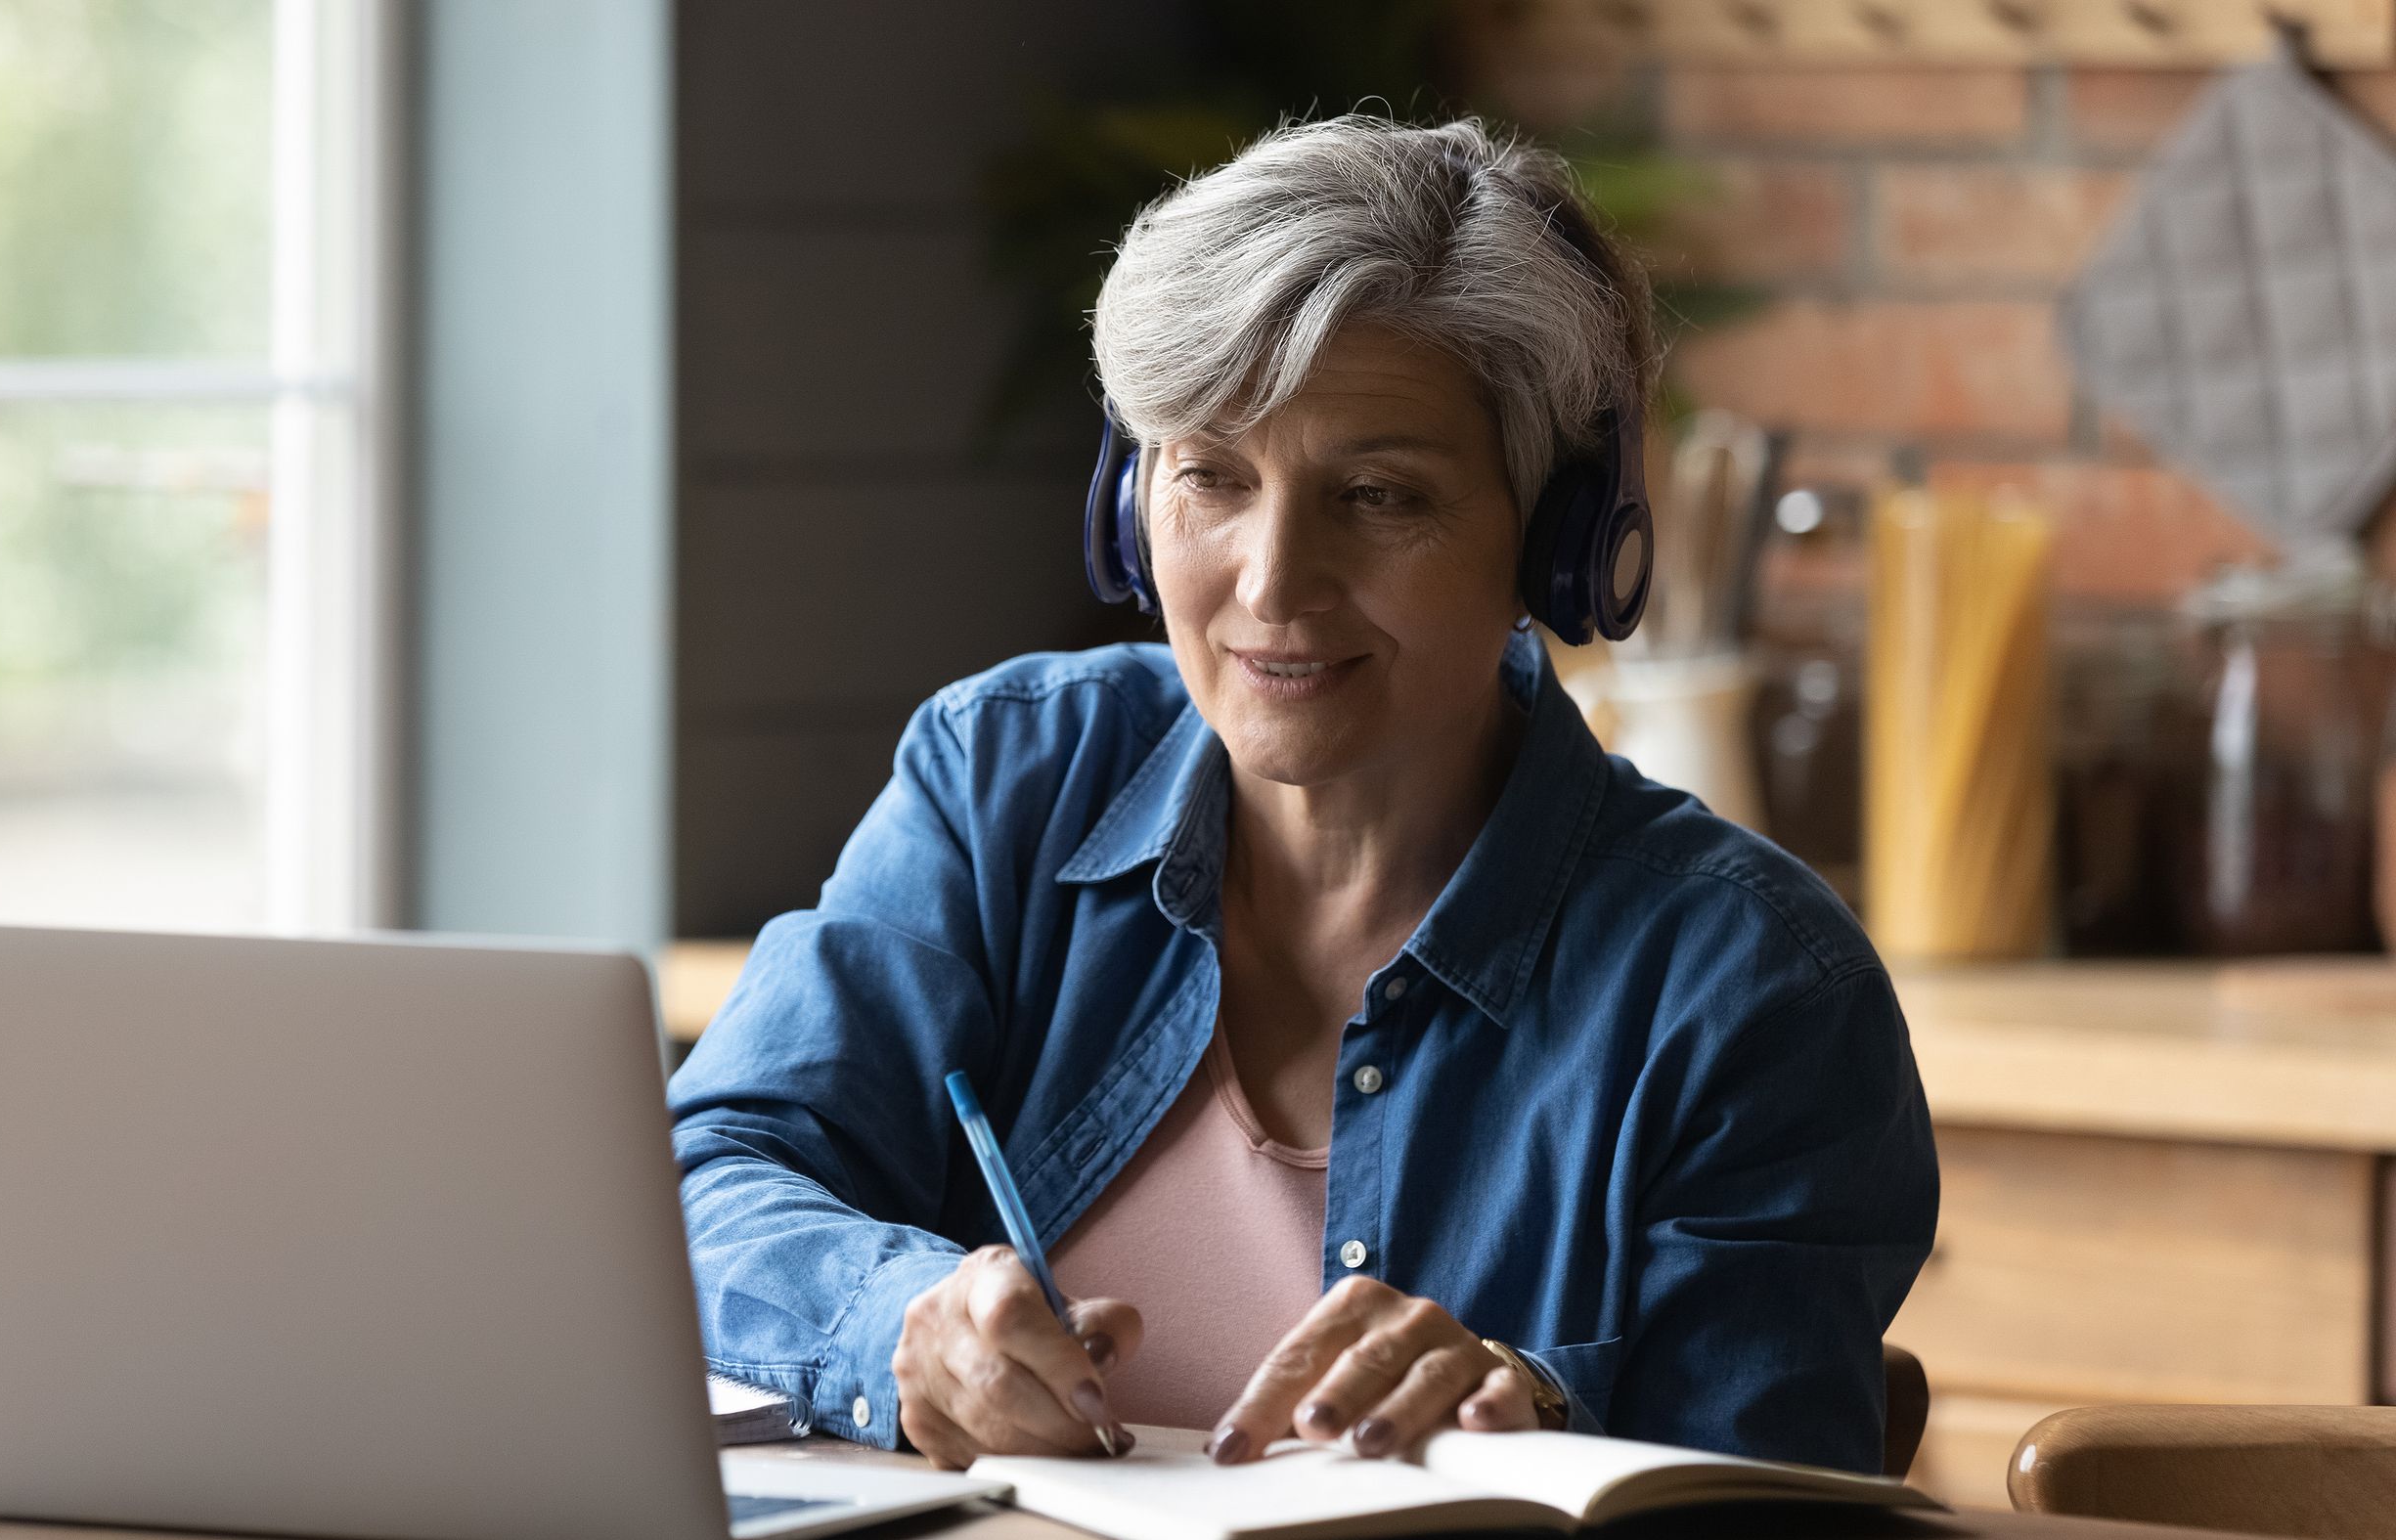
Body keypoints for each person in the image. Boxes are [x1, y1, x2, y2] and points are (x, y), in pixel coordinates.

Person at [668, 115, 1936, 1475]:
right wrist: (895, 1321)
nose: (1272, 583)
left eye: (1380, 496)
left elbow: (1758, 1493)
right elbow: (710, 1182)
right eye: (1211, 476)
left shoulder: (1752, 991)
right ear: (1128, 500)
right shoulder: (1006, 781)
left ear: (1558, 546)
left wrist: (1538, 1406)